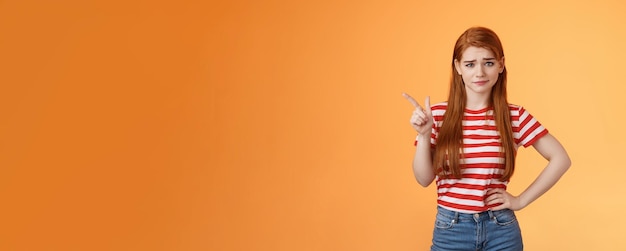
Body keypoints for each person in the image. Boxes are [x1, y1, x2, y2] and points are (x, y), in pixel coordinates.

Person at [402, 27, 571, 251]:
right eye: (470, 64)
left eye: (488, 63)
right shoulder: (437, 115)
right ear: (458, 67)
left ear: (501, 65)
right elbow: (423, 179)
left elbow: (561, 158)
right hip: (451, 230)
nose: (479, 72)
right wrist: (424, 136)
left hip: (501, 229)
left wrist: (520, 200)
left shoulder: (515, 116)